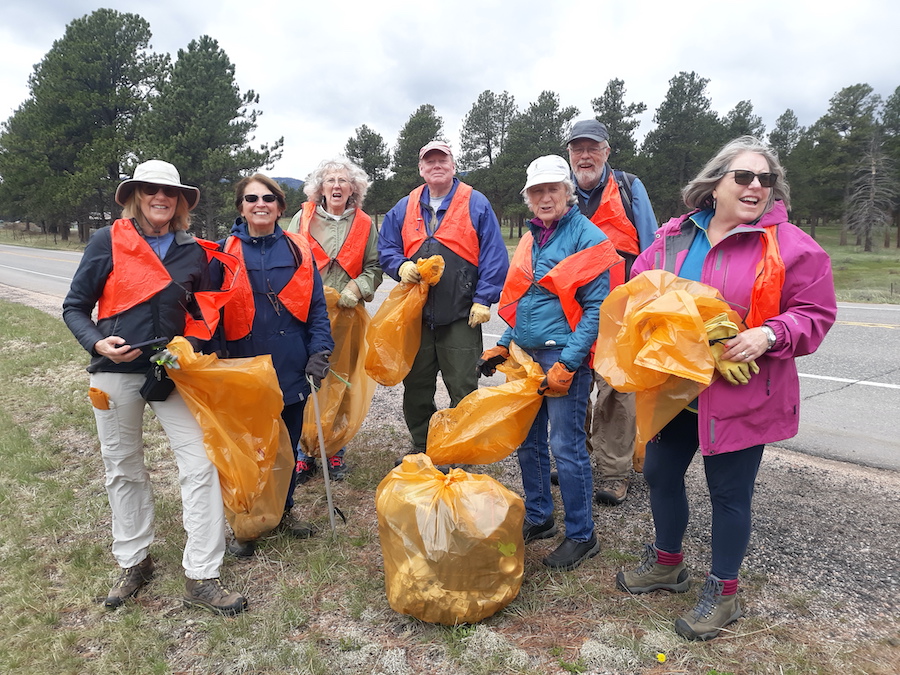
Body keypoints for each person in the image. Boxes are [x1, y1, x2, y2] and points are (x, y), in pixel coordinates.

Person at [616, 136, 836, 640]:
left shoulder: (789, 244)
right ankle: (668, 565)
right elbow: (641, 284)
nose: (756, 186)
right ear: (715, 183)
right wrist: (693, 322)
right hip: (677, 387)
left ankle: (723, 592)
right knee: (658, 473)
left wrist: (768, 333)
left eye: (766, 179)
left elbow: (816, 312)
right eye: (744, 176)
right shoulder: (675, 236)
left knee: (729, 494)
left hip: (742, 390)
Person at [62, 160, 247, 615]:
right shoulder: (107, 241)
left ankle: (202, 576)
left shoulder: (193, 252)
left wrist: (195, 351)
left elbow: (205, 316)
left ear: (181, 201)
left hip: (170, 373)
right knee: (122, 468)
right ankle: (134, 562)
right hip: (114, 371)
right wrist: (98, 342)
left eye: (170, 192)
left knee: (201, 465)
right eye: (150, 189)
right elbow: (74, 307)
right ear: (135, 195)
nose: (160, 197)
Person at [478, 155, 621, 571]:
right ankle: (540, 516)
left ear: (567, 191)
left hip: (563, 356)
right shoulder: (531, 238)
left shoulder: (587, 237)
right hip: (527, 354)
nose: (544, 198)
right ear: (528, 197)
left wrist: (570, 364)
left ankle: (582, 534)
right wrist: (502, 344)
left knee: (567, 445)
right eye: (537, 191)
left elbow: (597, 309)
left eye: (552, 189)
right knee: (529, 440)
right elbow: (527, 300)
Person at [211, 173, 334, 557]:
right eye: (251, 199)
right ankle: (246, 522)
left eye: (268, 198)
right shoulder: (221, 252)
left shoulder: (299, 248)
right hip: (242, 365)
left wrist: (320, 351)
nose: (259, 204)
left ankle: (283, 511)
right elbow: (207, 313)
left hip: (290, 362)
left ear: (280, 206)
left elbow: (316, 308)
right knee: (247, 448)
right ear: (241, 207)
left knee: (286, 442)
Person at [378, 141, 508, 457]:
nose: (436, 165)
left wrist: (484, 299)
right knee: (417, 386)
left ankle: (458, 448)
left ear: (453, 165)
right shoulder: (403, 207)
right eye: (429, 161)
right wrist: (401, 265)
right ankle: (422, 445)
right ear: (421, 169)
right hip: (416, 314)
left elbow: (494, 254)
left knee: (463, 387)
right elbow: (386, 248)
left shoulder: (476, 203)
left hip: (462, 314)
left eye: (442, 160)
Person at [565, 119, 658, 506]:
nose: (584, 156)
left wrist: (649, 303)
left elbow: (652, 245)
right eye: (577, 149)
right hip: (569, 307)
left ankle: (614, 472)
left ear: (607, 151)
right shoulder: (560, 189)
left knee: (617, 391)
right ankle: (579, 458)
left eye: (592, 148)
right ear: (569, 154)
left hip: (620, 309)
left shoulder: (630, 187)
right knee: (572, 385)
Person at [286, 158, 383, 482]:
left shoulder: (366, 224)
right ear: (321, 187)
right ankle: (303, 451)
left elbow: (375, 266)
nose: (337, 185)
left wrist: (358, 287)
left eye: (344, 180)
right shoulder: (302, 219)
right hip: (306, 314)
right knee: (306, 379)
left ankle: (334, 450)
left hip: (346, 314)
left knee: (340, 381)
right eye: (331, 180)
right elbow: (286, 261)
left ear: (354, 188)